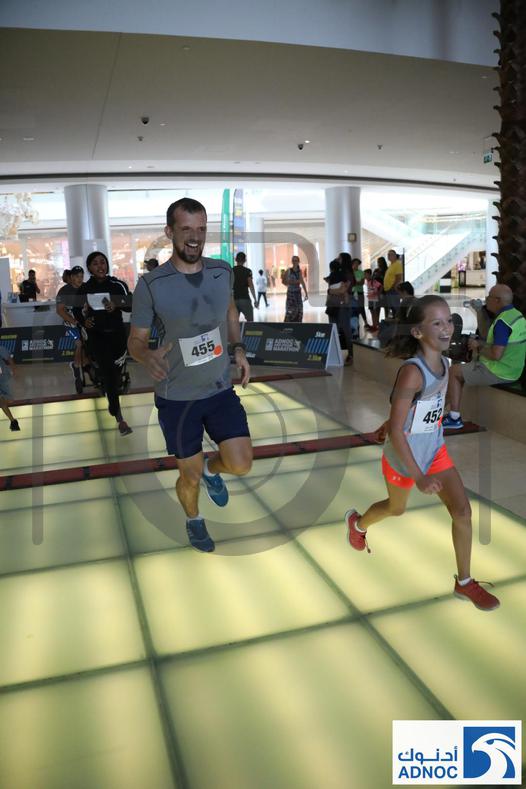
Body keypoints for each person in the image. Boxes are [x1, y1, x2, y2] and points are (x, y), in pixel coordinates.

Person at [344, 295, 500, 611]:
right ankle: (358, 524)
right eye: (437, 322)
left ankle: (464, 582)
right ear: (417, 332)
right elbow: (399, 430)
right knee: (396, 508)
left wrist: (391, 422)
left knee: (462, 512)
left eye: (449, 321)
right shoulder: (412, 372)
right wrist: (419, 475)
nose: (447, 328)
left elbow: (418, 408)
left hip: (434, 450)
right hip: (404, 459)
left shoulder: (446, 364)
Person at [128, 197, 252, 554]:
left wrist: (238, 348)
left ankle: (214, 470)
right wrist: (145, 355)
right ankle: (194, 520)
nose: (195, 237)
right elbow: (135, 341)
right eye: (186, 229)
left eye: (201, 229)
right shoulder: (151, 285)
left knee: (241, 464)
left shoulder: (222, 271)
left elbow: (230, 312)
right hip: (178, 397)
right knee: (189, 475)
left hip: (218, 388)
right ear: (170, 232)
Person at [443, 284, 526, 429]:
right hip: (514, 370)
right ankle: (442, 410)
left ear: (498, 300)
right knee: (462, 368)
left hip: (499, 371)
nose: (486, 300)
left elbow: (495, 355)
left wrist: (477, 346)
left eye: (489, 297)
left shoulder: (502, 323)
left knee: (453, 372)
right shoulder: (517, 316)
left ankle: (454, 417)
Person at [73, 251, 133, 435]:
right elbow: (76, 310)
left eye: (103, 262)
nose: (100, 266)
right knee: (109, 374)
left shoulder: (118, 285)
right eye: (95, 263)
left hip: (117, 336)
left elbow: (130, 305)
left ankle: (101, 381)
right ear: (89, 268)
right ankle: (119, 417)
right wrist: (84, 321)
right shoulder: (85, 288)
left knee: (115, 375)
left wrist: (117, 304)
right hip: (97, 337)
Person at [56, 265, 93, 394]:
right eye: (77, 276)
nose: (80, 279)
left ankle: (84, 365)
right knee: (79, 343)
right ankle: (77, 367)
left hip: (84, 323)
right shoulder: (64, 291)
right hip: (70, 324)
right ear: (71, 277)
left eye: (82, 276)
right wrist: (74, 321)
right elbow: (60, 310)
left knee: (88, 347)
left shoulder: (86, 288)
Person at [282, 255, 308, 322]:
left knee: (299, 310)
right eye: (293, 260)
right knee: (290, 311)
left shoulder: (299, 271)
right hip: (291, 294)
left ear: (298, 261)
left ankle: (298, 325)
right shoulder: (289, 270)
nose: (294, 262)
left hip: (298, 293)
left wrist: (306, 293)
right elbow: (283, 281)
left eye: (296, 260)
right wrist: (290, 283)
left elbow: (302, 282)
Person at [0, 344, 20, 431]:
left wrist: (14, 370)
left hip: (3, 378)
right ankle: (13, 422)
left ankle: (13, 422)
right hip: (4, 377)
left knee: (7, 400)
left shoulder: (0, 349)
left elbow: (9, 358)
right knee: (2, 400)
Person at [233, 251, 256, 321]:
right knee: (250, 322)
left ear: (235, 259)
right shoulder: (247, 271)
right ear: (245, 260)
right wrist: (255, 299)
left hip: (233, 300)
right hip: (245, 299)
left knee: (233, 322)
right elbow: (251, 285)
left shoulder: (231, 271)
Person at [351, 258, 372, 330]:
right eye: (355, 263)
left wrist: (355, 282)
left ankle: (365, 323)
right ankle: (355, 323)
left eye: (357, 263)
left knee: (361, 307)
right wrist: (356, 282)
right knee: (353, 308)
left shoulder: (361, 272)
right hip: (352, 292)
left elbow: (362, 282)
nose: (356, 265)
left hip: (359, 292)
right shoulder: (350, 272)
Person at [383, 249, 403, 317]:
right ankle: (394, 320)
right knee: (392, 308)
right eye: (388, 255)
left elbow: (399, 278)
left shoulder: (397, 264)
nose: (388, 256)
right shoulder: (391, 265)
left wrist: (393, 287)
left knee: (395, 308)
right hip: (389, 290)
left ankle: (398, 321)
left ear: (394, 256)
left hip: (393, 290)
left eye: (390, 254)